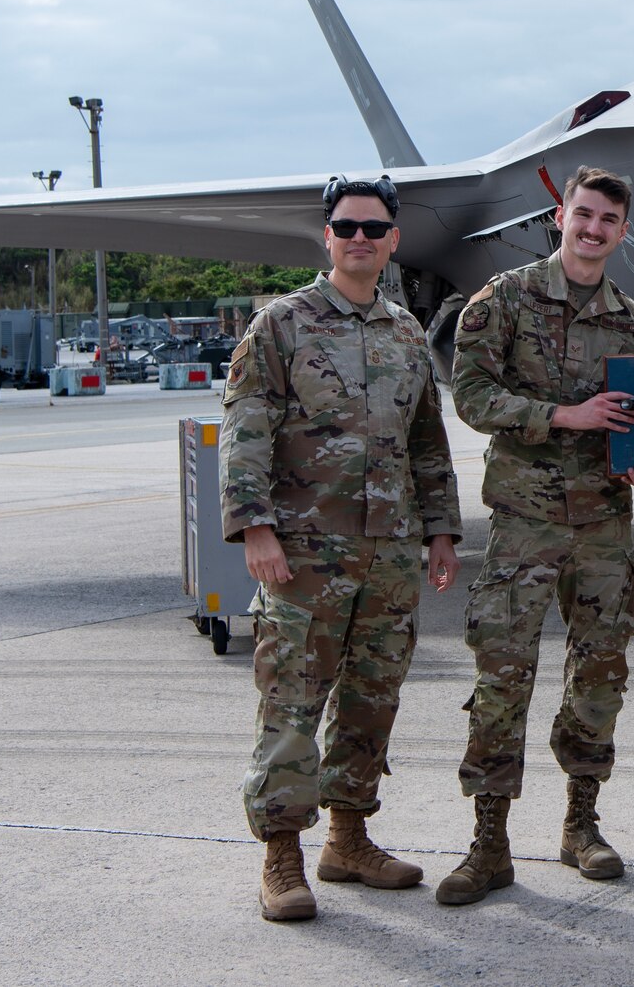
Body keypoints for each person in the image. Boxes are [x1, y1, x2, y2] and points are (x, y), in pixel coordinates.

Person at [221, 173, 463, 922]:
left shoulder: (405, 332)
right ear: (326, 236)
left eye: (374, 228)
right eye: (347, 226)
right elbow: (246, 427)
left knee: (372, 698)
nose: (360, 238)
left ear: (393, 240)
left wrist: (441, 529)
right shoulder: (281, 325)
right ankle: (282, 855)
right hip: (303, 551)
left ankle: (349, 839)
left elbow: (427, 439)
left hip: (388, 552)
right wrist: (254, 528)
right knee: (292, 700)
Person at [439, 166, 634, 906]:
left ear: (623, 233)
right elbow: (469, 394)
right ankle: (490, 842)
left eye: (609, 221)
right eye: (584, 214)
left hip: (603, 521)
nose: (594, 229)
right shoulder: (503, 299)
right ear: (560, 215)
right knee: (502, 677)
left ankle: (581, 824)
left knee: (599, 676)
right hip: (526, 520)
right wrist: (562, 416)